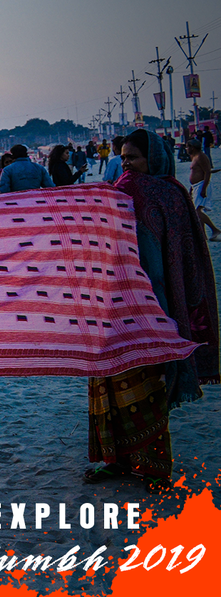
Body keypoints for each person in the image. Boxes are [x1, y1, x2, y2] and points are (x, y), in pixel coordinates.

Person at [86, 129, 218, 487]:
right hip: (127, 300)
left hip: (144, 304)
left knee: (142, 382)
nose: (127, 165)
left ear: (153, 159)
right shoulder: (171, 193)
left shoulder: (147, 193)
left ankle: (150, 464)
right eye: (124, 158)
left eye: (134, 158)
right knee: (115, 379)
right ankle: (116, 459)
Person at [186, 140, 221, 241]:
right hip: (196, 186)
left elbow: (207, 172)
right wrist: (191, 188)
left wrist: (204, 189)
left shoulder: (201, 156)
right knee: (198, 211)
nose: (186, 149)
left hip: (202, 185)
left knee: (197, 212)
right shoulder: (194, 157)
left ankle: (215, 230)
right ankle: (203, 235)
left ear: (193, 147)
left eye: (187, 147)